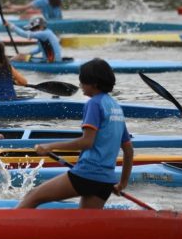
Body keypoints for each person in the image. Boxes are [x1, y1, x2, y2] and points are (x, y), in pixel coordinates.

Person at [17, 58, 134, 209]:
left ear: (94, 83)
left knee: (32, 196)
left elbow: (87, 142)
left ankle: (4, 230)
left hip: (87, 174)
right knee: (86, 225)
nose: (80, 86)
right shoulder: (115, 107)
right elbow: (129, 151)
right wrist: (122, 183)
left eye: (83, 82)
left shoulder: (94, 103)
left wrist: (50, 147)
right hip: (106, 181)